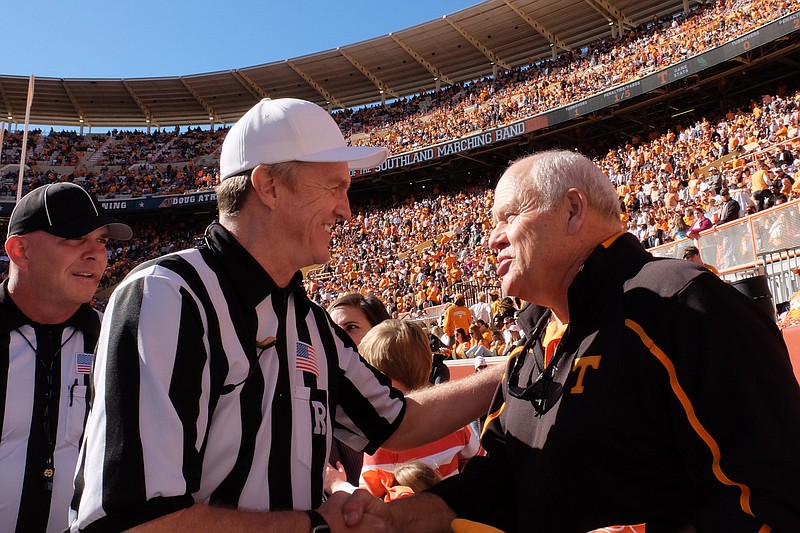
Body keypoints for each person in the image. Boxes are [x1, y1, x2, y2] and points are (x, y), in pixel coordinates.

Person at [69, 98, 502, 532]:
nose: (346, 210)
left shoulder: (309, 321)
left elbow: (399, 421)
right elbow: (133, 519)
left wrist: (519, 367)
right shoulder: (168, 295)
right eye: (333, 187)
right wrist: (314, 525)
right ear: (269, 186)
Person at [338, 150, 800, 531]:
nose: (491, 240)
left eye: (508, 217)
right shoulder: (536, 345)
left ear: (573, 210)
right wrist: (395, 519)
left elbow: (769, 494)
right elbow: (500, 481)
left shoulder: (680, 302)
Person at [0, 182, 132, 533]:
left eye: (102, 241)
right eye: (75, 239)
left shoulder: (115, 340)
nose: (96, 255)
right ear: (20, 251)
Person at [326, 292, 392, 487]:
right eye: (331, 329)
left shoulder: (405, 399)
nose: (337, 337)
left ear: (379, 334)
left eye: (350, 327)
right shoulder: (320, 404)